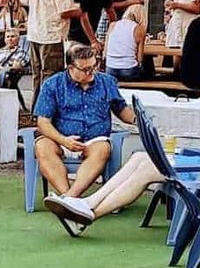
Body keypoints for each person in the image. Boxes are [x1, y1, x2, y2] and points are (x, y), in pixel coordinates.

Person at [35, 45, 135, 217]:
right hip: (61, 138)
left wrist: (136, 118)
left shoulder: (106, 82)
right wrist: (63, 140)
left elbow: (121, 109)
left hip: (94, 139)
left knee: (102, 148)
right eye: (86, 69)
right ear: (71, 68)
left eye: (94, 66)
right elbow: (43, 122)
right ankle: (71, 198)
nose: (92, 72)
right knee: (42, 146)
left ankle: (68, 199)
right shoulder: (53, 84)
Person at [19, 0, 82, 98]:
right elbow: (65, 11)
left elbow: (23, 0)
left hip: (34, 33)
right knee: (50, 75)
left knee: (37, 75)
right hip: (52, 36)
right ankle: (46, 112)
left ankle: (36, 110)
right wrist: (81, 10)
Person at [104, 4, 146, 81]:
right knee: (148, 72)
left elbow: (106, 51)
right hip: (129, 70)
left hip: (110, 69)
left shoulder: (112, 25)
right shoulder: (139, 29)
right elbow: (140, 59)